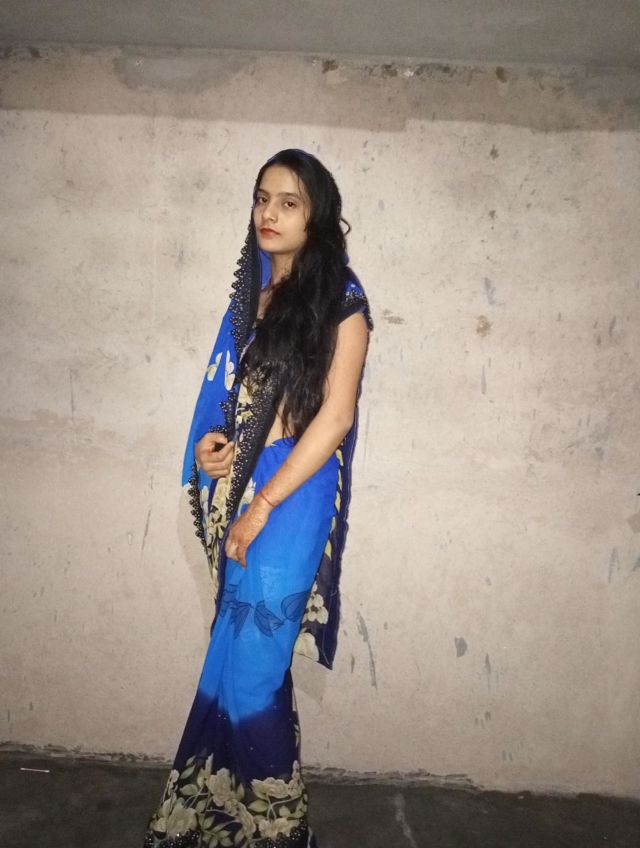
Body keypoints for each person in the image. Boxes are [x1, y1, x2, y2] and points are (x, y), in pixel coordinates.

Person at [143, 149, 373, 848]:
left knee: (251, 674)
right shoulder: (249, 301)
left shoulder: (341, 300)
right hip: (242, 488)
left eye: (289, 202)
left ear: (316, 215)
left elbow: (334, 417)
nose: (269, 213)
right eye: (261, 198)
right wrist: (213, 450)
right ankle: (221, 819)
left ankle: (279, 830)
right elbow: (229, 409)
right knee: (233, 662)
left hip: (291, 494)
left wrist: (264, 503)